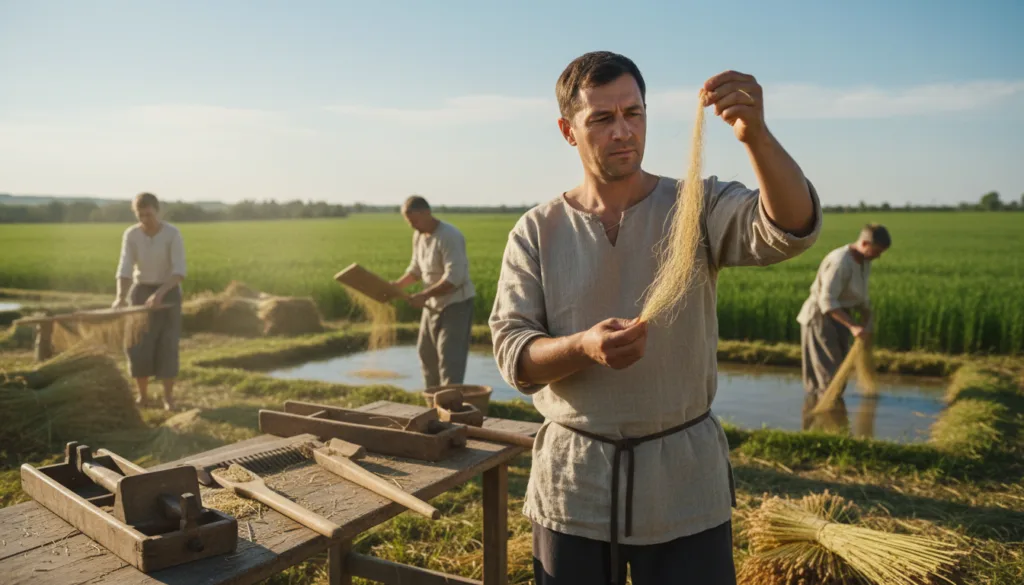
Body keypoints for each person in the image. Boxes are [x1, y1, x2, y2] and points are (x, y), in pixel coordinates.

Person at [488, 51, 822, 585]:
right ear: (567, 131)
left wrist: (755, 133)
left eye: (633, 113)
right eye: (602, 118)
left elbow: (789, 226)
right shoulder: (537, 230)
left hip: (683, 485)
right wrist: (581, 348)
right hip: (575, 484)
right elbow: (514, 355)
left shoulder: (697, 205)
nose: (622, 131)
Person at [391, 195, 477, 389]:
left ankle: (449, 405)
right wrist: (397, 285)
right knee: (426, 353)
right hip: (432, 305)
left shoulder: (450, 236)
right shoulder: (419, 236)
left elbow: (455, 278)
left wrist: (424, 295)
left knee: (450, 358)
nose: (412, 226)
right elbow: (416, 270)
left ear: (426, 213)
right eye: (409, 222)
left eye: (414, 220)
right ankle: (432, 402)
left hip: (456, 304)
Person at [796, 223, 891, 399]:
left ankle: (827, 411)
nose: (877, 257)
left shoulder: (864, 261)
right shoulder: (840, 262)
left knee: (838, 369)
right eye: (876, 251)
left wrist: (866, 316)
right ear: (864, 244)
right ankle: (822, 417)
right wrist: (854, 326)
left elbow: (861, 297)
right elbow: (827, 301)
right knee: (828, 374)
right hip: (820, 318)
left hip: (840, 316)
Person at [112, 192, 186, 410]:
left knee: (167, 344)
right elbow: (124, 268)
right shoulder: (131, 235)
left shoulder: (172, 234)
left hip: (169, 292)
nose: (145, 219)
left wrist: (160, 293)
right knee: (138, 346)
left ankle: (168, 398)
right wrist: (120, 298)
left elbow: (179, 271)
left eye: (149, 214)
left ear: (158, 211)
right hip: (141, 292)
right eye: (140, 215)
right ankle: (142, 396)